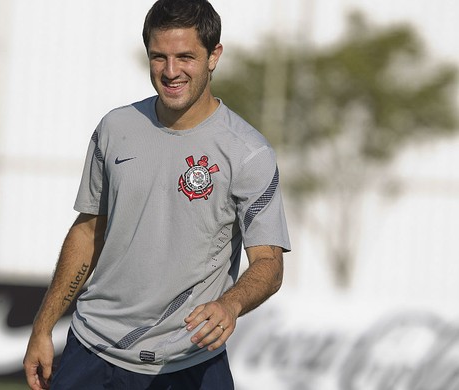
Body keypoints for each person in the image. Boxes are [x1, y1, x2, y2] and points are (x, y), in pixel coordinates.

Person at [23, 0, 290, 388]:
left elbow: (269, 263)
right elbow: (87, 231)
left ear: (214, 55)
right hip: (91, 351)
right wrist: (43, 327)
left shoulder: (248, 152)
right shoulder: (116, 128)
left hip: (189, 361)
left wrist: (229, 304)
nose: (170, 71)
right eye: (158, 57)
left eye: (186, 57)